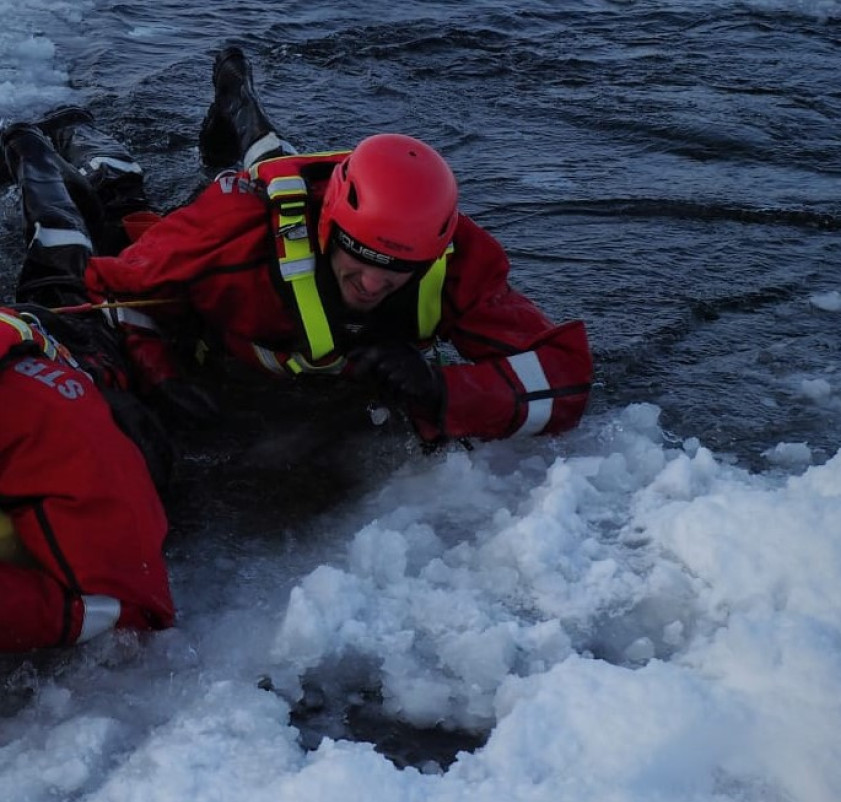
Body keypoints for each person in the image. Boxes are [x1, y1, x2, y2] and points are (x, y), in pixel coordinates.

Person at [46, 46, 594, 446]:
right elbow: (108, 292)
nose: (376, 283)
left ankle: (239, 96)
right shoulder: (230, 235)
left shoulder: (456, 255)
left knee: (276, 160)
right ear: (330, 226)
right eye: (363, 258)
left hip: (312, 200)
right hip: (226, 223)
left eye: (403, 268)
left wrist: (442, 390)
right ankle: (75, 130)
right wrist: (160, 377)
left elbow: (565, 377)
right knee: (121, 209)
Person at [0, 123, 175, 654]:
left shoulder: (61, 435)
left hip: (88, 368)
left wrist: (77, 618)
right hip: (38, 350)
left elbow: (135, 607)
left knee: (77, 247)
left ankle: (42, 150)